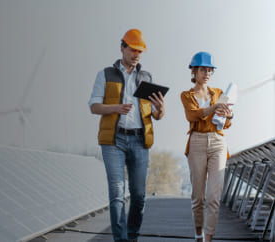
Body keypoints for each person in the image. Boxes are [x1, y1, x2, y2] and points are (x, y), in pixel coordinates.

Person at [88, 29, 165, 242]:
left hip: (140, 141)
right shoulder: (105, 74)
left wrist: (160, 108)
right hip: (114, 141)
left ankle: (132, 237)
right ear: (122, 48)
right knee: (117, 195)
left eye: (140, 51)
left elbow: (155, 115)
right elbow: (94, 107)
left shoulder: (146, 77)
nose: (136, 54)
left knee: (139, 196)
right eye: (133, 49)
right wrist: (115, 108)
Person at [180, 52, 233, 242]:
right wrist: (213, 108)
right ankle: (198, 234)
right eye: (203, 69)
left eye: (210, 70)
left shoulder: (218, 93)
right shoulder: (186, 95)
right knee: (198, 198)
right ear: (194, 71)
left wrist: (228, 115)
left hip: (218, 142)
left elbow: (226, 124)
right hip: (196, 142)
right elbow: (193, 116)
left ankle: (208, 238)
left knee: (214, 197)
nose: (207, 73)